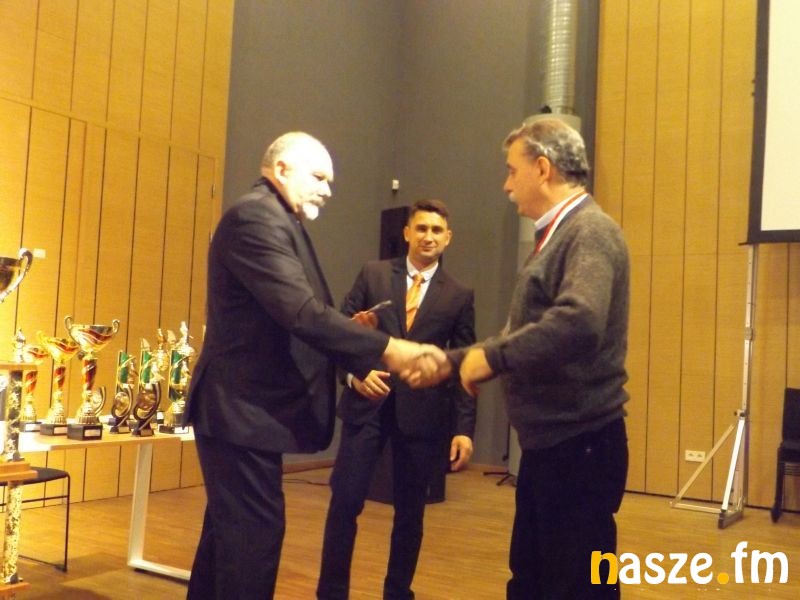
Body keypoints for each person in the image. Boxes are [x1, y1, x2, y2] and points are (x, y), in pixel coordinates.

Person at [183, 131, 443, 599]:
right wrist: (389, 349)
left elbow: (294, 314)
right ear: (281, 169)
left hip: (242, 414)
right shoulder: (256, 218)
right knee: (252, 544)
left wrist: (349, 342)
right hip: (239, 411)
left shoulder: (276, 218)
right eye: (319, 177)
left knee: (228, 541)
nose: (327, 189)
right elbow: (301, 313)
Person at [408, 118, 630, 599]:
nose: (506, 186)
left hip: (580, 448)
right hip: (555, 445)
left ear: (543, 169)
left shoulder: (589, 232)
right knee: (531, 579)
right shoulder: (561, 235)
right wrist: (451, 362)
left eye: (512, 171)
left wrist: (490, 359)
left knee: (577, 587)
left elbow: (580, 320)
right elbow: (522, 334)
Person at [317, 199, 476, 600]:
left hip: (423, 415)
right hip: (367, 404)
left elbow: (463, 365)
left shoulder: (459, 295)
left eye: (436, 230)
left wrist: (463, 430)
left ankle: (398, 592)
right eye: (421, 228)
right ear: (407, 233)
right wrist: (353, 375)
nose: (428, 237)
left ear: (448, 238)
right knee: (345, 503)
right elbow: (338, 333)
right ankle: (331, 593)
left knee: (410, 514)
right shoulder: (373, 274)